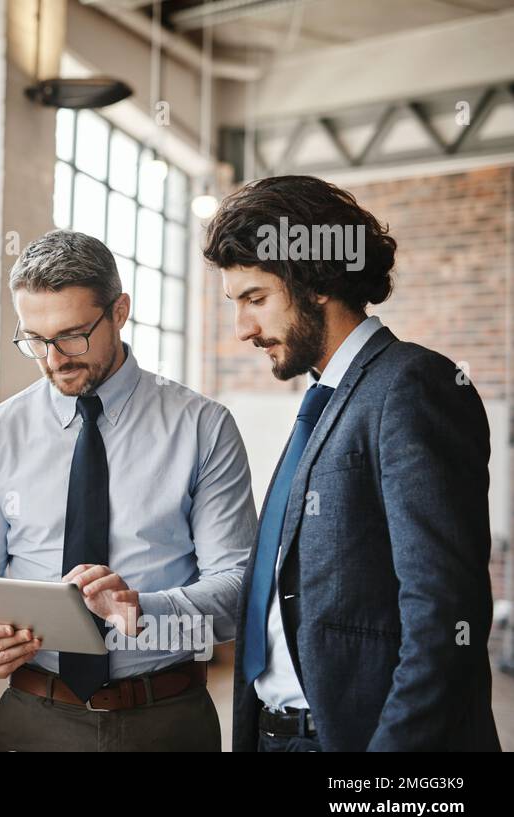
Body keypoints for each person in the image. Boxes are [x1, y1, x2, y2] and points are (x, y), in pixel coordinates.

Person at [204, 174, 500, 751]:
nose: (243, 329)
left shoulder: (412, 386)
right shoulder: (324, 400)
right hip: (276, 735)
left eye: (255, 299)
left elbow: (443, 619)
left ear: (315, 281)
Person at [0, 229, 256, 751]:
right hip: (32, 718)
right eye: (35, 340)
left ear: (119, 311)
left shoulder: (203, 427)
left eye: (72, 335)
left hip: (166, 719)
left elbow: (239, 592)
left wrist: (143, 612)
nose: (54, 359)